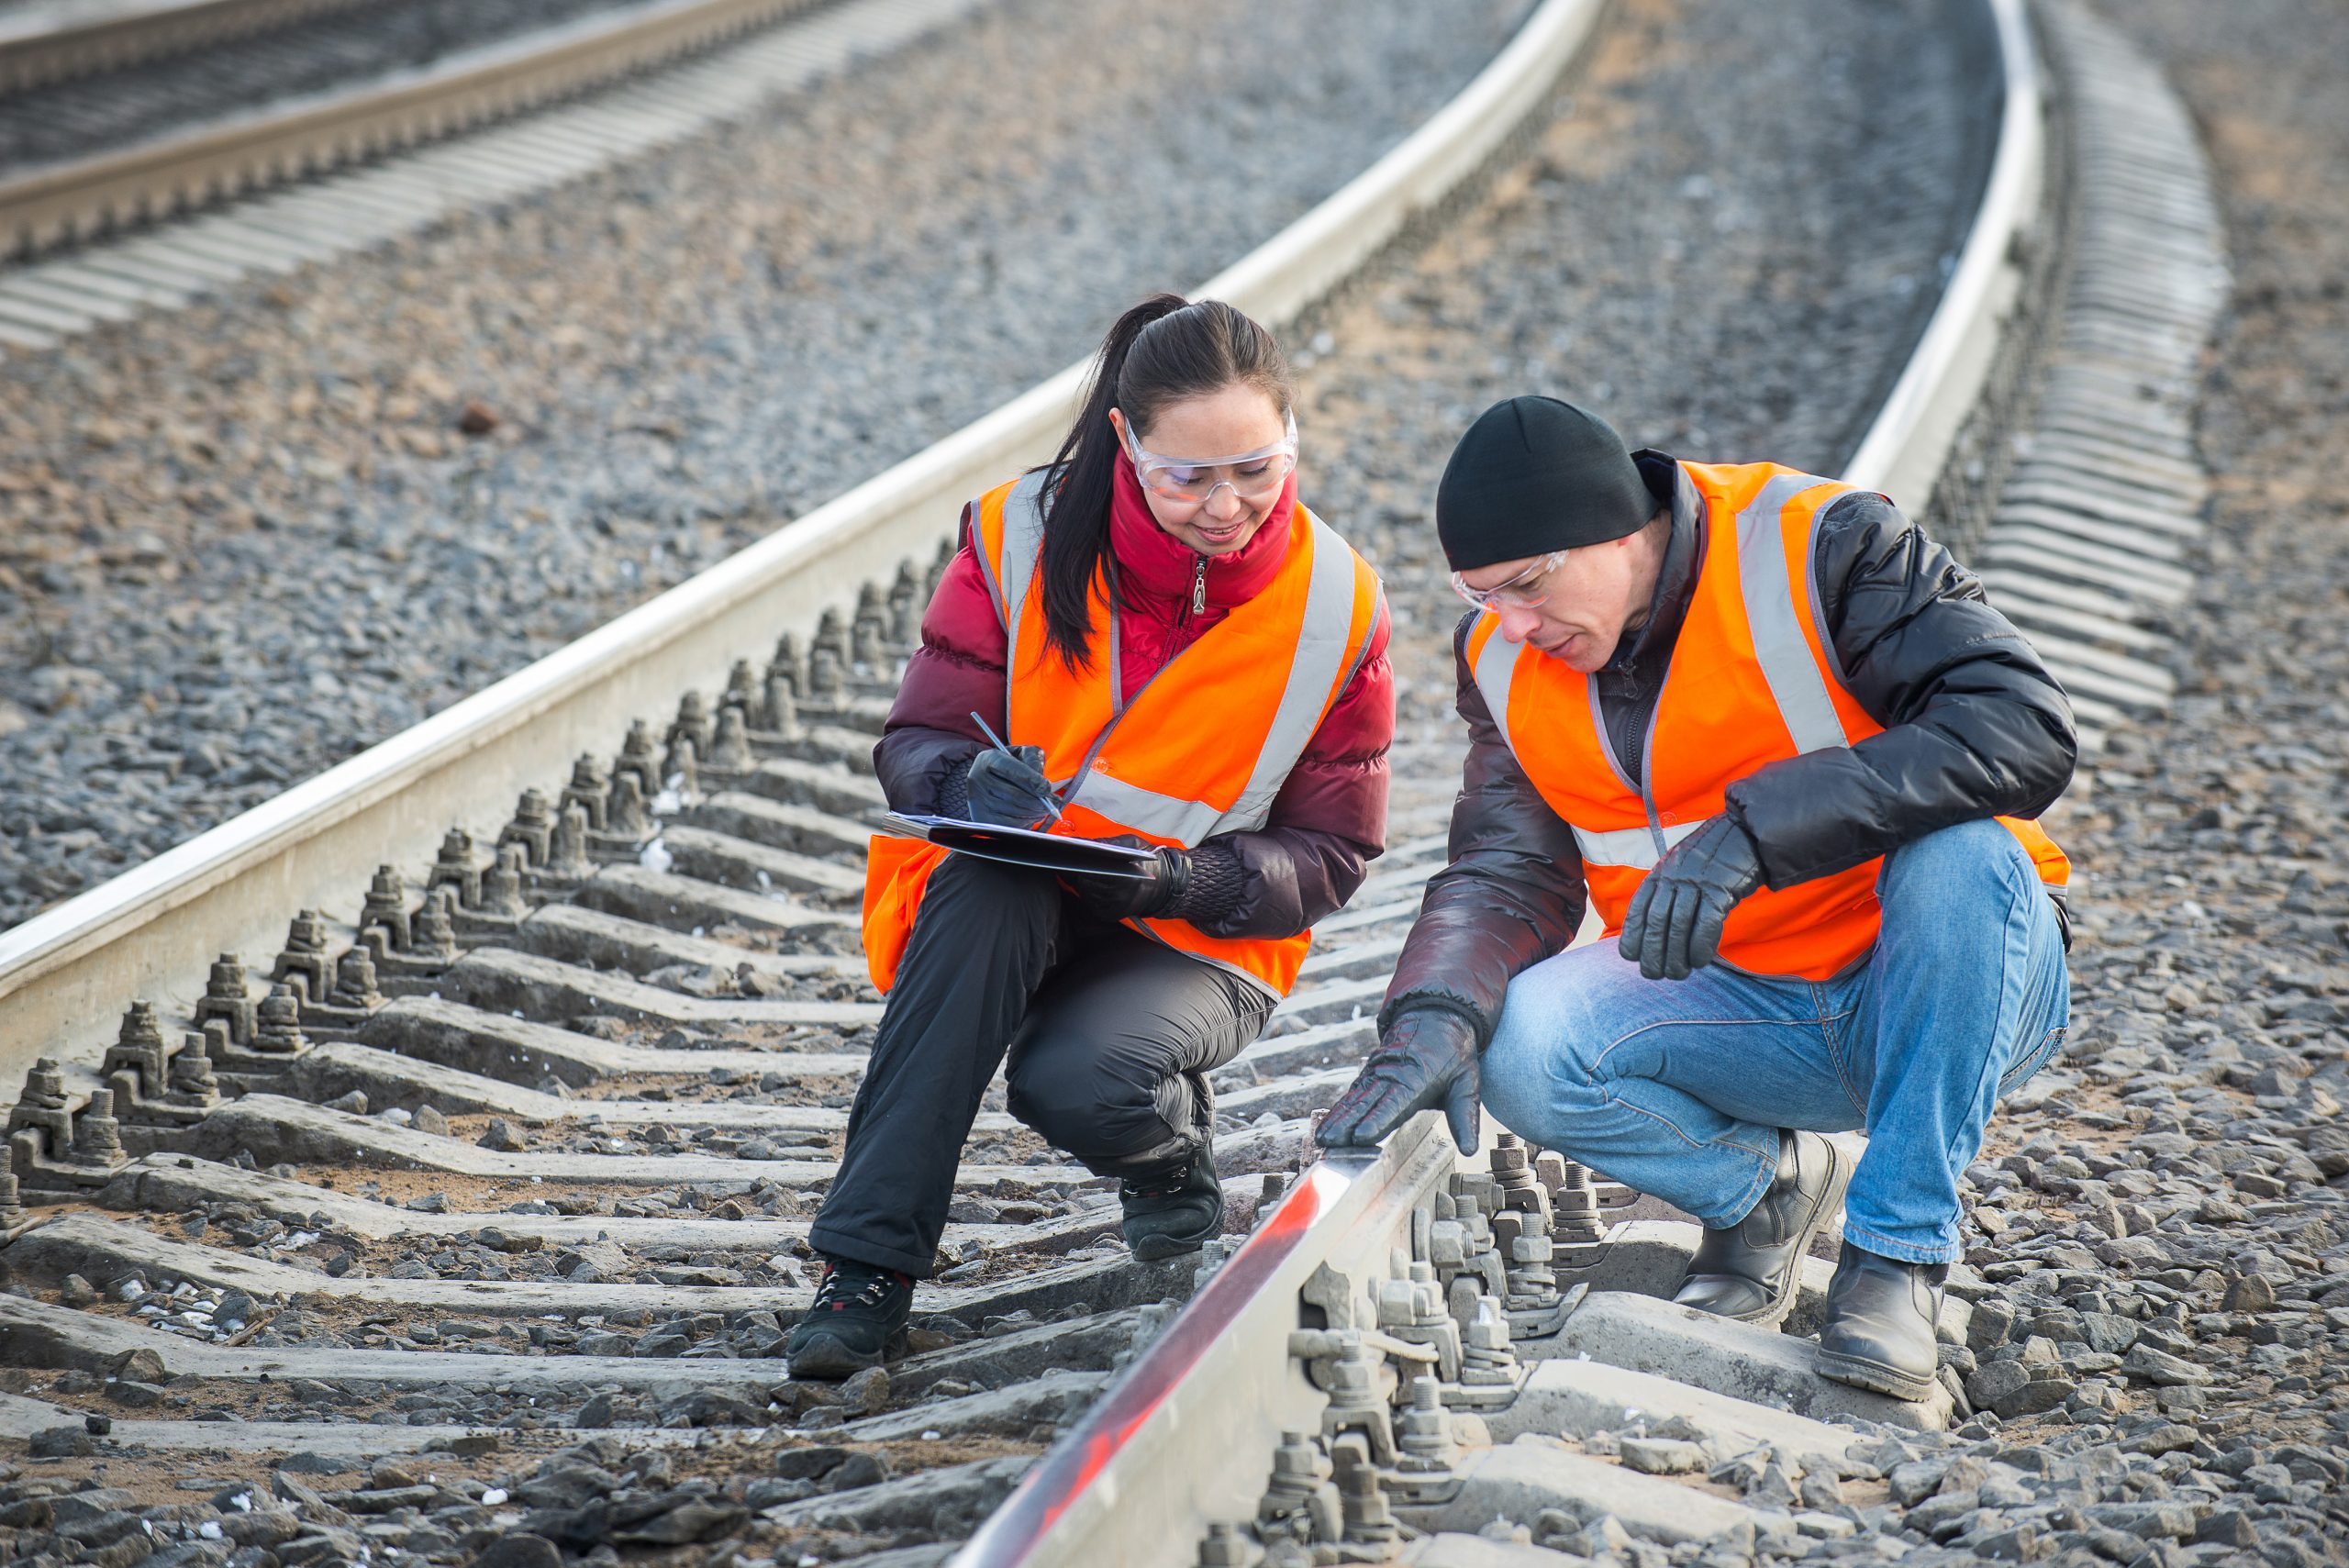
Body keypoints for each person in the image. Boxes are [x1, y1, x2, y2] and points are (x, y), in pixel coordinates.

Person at [1318, 395, 2074, 1403]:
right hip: (1748, 1010)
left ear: (1626, 530)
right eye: (1484, 594)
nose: (1515, 623)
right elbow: (1505, 864)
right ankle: (1763, 1194)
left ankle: (1895, 1258)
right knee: (1518, 1041)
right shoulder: (1500, 659)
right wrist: (1433, 1011)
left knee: (1966, 852)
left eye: (1530, 585)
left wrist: (1754, 832)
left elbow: (2022, 726)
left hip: (1946, 983)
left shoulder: (1825, 545)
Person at [785, 295, 1395, 1378]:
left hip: (1192, 932)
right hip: (1013, 899)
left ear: (1292, 436)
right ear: (1124, 441)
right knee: (984, 887)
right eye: (1188, 475)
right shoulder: (1015, 535)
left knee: (1075, 1083)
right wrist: (968, 784)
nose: (1228, 505)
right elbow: (917, 736)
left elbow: (1334, 852)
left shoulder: (1339, 602)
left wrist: (1188, 878)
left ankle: (1165, 1155)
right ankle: (865, 1269)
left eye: (1257, 467)